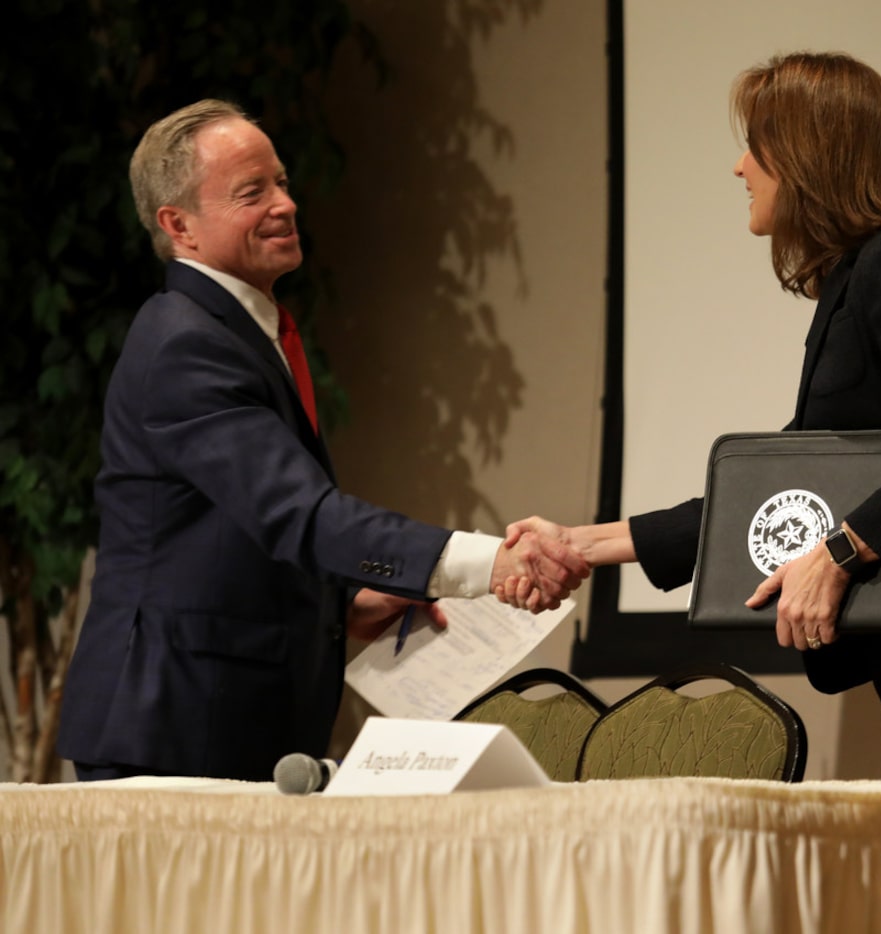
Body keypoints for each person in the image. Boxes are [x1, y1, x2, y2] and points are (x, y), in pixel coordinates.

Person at [501, 52, 881, 785]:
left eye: (755, 145)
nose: (739, 166)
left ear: (807, 157)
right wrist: (579, 545)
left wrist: (840, 552)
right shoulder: (857, 282)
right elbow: (771, 502)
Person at [56, 99, 588, 782]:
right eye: (253, 192)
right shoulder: (186, 343)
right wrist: (493, 563)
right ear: (178, 225)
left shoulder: (234, 330)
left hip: (217, 718)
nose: (285, 204)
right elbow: (299, 514)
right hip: (171, 725)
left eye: (281, 181)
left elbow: (229, 529)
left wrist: (340, 603)